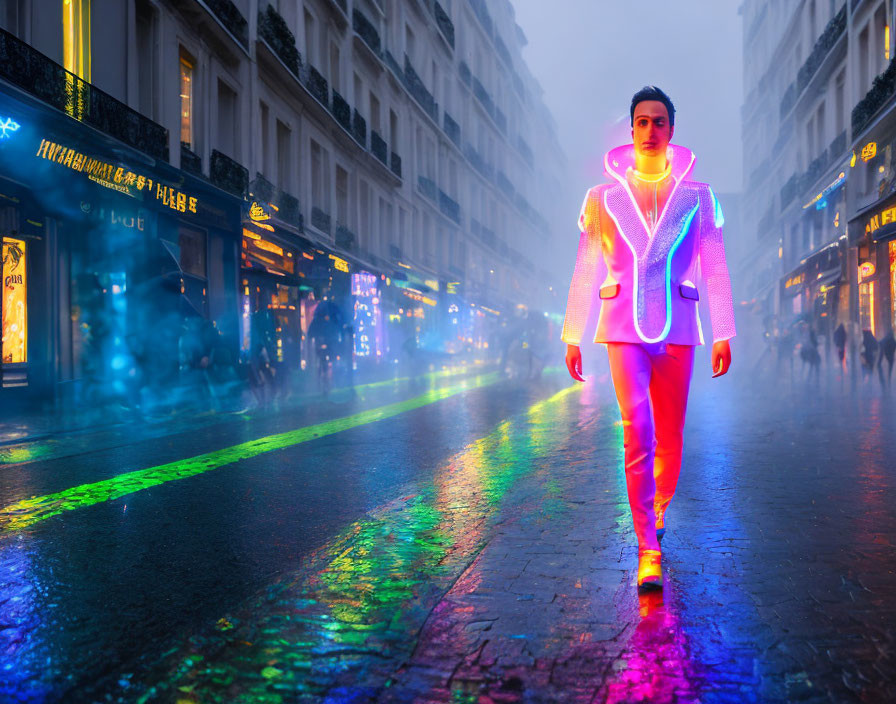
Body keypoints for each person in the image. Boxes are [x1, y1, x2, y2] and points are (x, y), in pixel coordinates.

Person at [562, 86, 735, 591]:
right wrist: (573, 331)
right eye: (642, 121)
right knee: (637, 427)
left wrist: (723, 330)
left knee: (671, 435)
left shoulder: (699, 196)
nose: (651, 130)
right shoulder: (601, 198)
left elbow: (715, 265)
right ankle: (647, 549)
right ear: (631, 129)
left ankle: (658, 505)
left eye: (660, 122)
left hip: (679, 325)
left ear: (672, 130)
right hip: (620, 326)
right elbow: (586, 265)